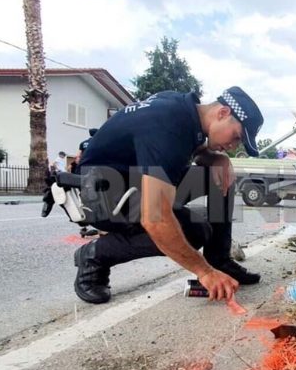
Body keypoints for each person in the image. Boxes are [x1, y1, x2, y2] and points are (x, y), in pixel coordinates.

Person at [74, 87, 263, 304]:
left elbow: (190, 147)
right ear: (223, 113)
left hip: (133, 181)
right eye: (236, 137)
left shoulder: (182, 109)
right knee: (194, 231)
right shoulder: (169, 127)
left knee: (220, 176)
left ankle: (219, 259)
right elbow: (155, 218)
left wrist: (215, 157)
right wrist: (204, 272)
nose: (232, 147)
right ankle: (94, 255)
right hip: (102, 194)